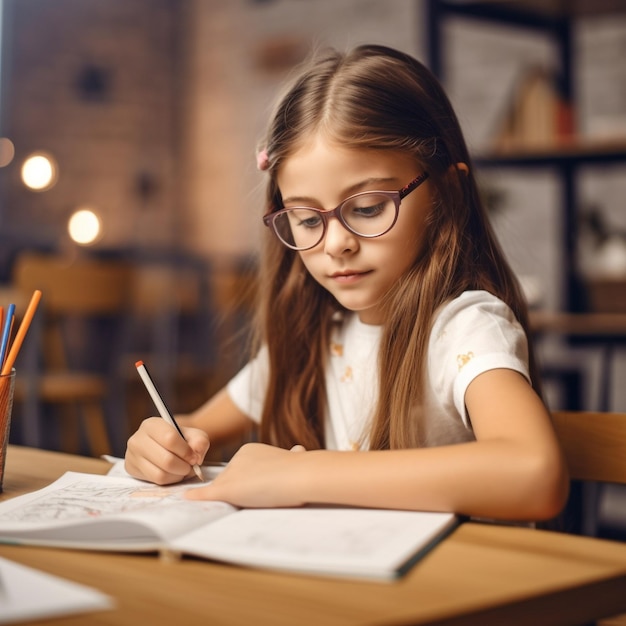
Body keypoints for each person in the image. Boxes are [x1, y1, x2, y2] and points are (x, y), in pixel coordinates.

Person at [125, 44, 569, 522]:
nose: (336, 243)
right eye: (306, 218)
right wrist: (159, 445)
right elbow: (190, 429)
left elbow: (534, 472)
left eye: (367, 207)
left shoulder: (463, 328)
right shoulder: (314, 335)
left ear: (447, 192)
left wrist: (302, 476)